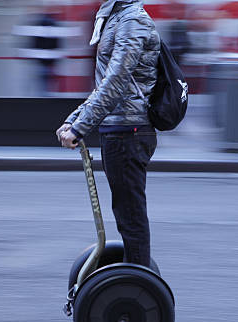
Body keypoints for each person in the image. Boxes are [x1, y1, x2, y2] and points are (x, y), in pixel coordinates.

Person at [56, 0, 160, 268]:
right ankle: (135, 280)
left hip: (129, 132)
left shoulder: (132, 20)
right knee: (126, 215)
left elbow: (116, 81)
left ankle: (137, 289)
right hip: (119, 130)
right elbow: (104, 83)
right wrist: (73, 120)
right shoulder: (116, 17)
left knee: (130, 218)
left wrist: (80, 128)